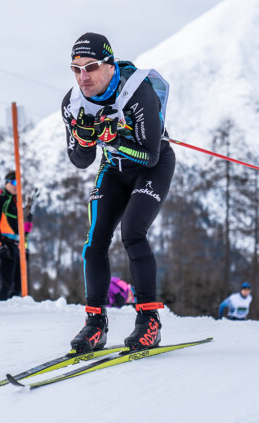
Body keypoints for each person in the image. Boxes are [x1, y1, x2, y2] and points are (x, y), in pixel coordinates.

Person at [61, 32, 176, 352]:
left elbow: (150, 156)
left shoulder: (138, 92)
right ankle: (95, 324)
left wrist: (114, 140)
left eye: (91, 67)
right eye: (76, 69)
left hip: (152, 167)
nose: (83, 76)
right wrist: (85, 141)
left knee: (133, 233)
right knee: (94, 241)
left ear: (110, 65)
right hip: (114, 168)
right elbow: (80, 161)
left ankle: (149, 321)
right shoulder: (72, 103)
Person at [0, 171, 32, 301]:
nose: (16, 186)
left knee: (18, 285)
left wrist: (24, 244)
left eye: (18, 183)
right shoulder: (1, 199)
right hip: (4, 243)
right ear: (6, 183)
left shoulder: (16, 201)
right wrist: (0, 244)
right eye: (14, 182)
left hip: (16, 245)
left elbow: (19, 227)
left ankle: (11, 308)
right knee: (6, 283)